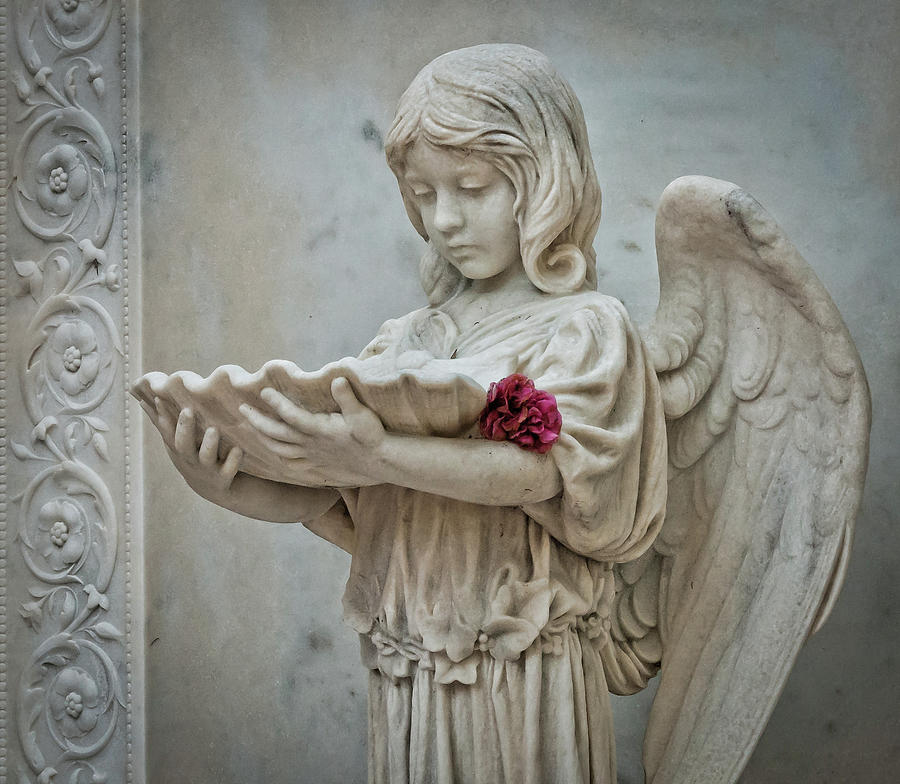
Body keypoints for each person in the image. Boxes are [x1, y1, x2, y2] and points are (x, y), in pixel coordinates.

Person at [149, 44, 667, 784]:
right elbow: (348, 511)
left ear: (544, 180)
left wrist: (377, 455)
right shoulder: (407, 342)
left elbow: (542, 474)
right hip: (414, 665)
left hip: (524, 669)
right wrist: (226, 481)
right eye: (423, 194)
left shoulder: (584, 329)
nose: (444, 218)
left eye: (472, 187)